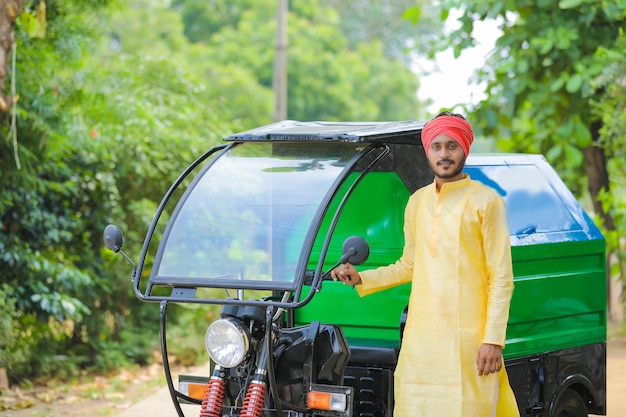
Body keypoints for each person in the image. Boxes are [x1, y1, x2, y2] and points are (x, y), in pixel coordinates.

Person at [331, 111, 520, 417]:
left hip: (468, 343)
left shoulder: (487, 202)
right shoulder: (417, 201)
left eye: (451, 146)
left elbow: (501, 278)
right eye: (437, 146)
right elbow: (410, 264)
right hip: (421, 342)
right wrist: (362, 278)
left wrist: (493, 339)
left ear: (464, 150)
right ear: (427, 152)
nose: (444, 154)